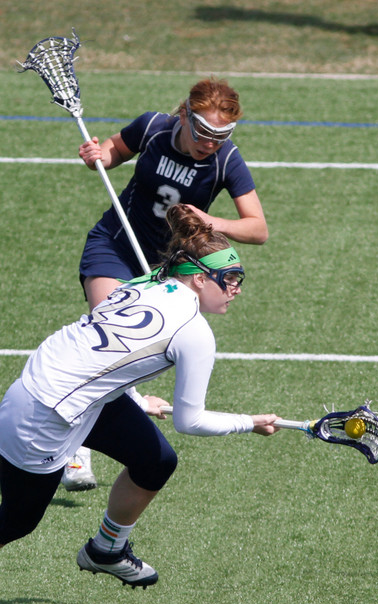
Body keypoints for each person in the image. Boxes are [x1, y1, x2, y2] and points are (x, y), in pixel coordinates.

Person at [0, 204, 278, 604]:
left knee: (155, 461)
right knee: (18, 519)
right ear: (197, 278)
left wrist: (135, 399)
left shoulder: (149, 281)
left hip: (70, 389)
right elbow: (190, 421)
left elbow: (106, 351)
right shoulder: (195, 333)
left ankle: (107, 548)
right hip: (43, 412)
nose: (236, 289)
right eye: (230, 279)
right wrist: (251, 423)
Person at [64, 76, 269, 491]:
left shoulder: (226, 161)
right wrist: (96, 155)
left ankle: (119, 409)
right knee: (110, 337)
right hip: (115, 246)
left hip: (167, 267)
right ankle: (75, 449)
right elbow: (112, 152)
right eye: (205, 132)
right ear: (184, 116)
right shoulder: (153, 126)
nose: (211, 143)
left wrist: (212, 221)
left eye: (222, 135)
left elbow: (258, 228)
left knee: (138, 356)